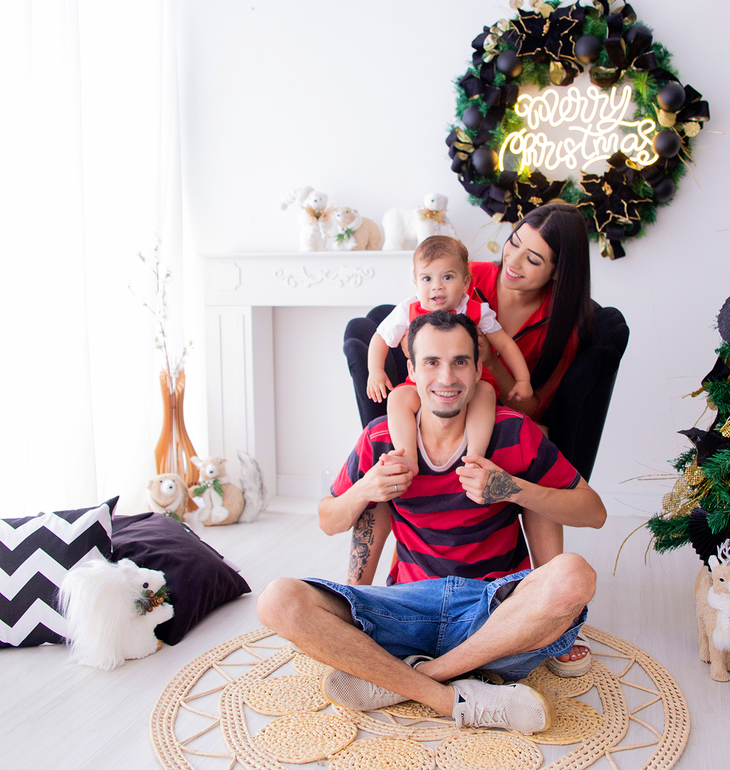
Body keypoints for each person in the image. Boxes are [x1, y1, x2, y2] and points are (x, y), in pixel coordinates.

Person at [257, 311, 606, 734]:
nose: (447, 376)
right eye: (432, 363)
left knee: (574, 576)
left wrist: (513, 488)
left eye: (460, 361)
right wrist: (365, 487)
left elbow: (595, 511)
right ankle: (453, 696)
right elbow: (328, 520)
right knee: (276, 600)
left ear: (479, 370)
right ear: (412, 371)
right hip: (406, 608)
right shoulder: (381, 439)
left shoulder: (514, 432)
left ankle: (406, 680)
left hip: (493, 615)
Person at [341, 201, 596, 673]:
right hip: (430, 414)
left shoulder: (551, 325)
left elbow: (533, 400)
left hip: (505, 411)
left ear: (558, 274)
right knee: (287, 599)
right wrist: (397, 376)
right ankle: (370, 612)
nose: (513, 264)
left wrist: (490, 376)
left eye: (533, 260)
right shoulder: (459, 274)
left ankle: (454, 661)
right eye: (512, 245)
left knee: (521, 453)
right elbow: (398, 330)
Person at [367, 236, 532, 487]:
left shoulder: (476, 310)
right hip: (424, 387)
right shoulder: (408, 309)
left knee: (486, 393)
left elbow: (505, 343)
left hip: (469, 388)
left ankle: (474, 457)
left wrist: (522, 379)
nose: (437, 287)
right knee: (398, 398)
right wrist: (375, 370)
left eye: (447, 277)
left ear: (465, 282)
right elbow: (380, 337)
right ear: (415, 282)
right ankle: (408, 455)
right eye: (427, 279)